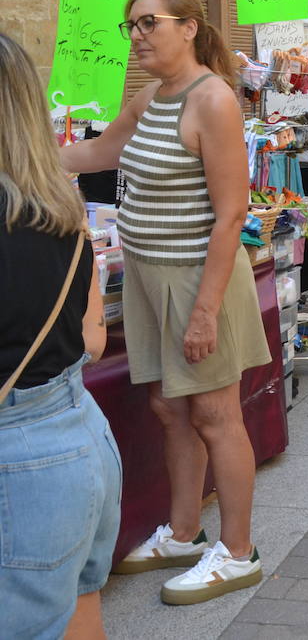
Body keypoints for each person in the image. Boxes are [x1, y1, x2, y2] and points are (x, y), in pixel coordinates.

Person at [59, 0, 271, 602]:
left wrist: (205, 312)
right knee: (169, 408)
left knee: (215, 415)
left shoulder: (214, 100)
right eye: (131, 26)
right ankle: (183, 534)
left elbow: (231, 216)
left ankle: (238, 552)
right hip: (150, 278)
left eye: (149, 22)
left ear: (189, 27)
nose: (137, 36)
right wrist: (25, 152)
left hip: (198, 282)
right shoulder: (151, 96)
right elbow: (101, 151)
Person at [2, 33, 121, 638]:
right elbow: (92, 342)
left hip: (20, 460)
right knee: (78, 606)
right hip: (78, 434)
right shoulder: (63, 216)